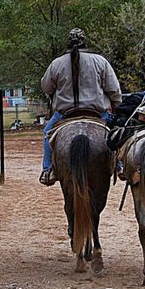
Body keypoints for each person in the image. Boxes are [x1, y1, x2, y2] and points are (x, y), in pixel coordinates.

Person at [40, 28, 121, 186]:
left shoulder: (57, 63)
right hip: (97, 113)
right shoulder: (100, 61)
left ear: (68, 43)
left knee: (47, 133)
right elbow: (114, 89)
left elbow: (46, 87)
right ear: (85, 42)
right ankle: (119, 165)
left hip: (65, 114)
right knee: (116, 132)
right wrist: (117, 104)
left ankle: (48, 169)